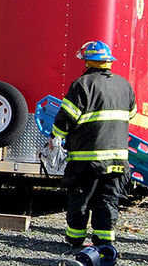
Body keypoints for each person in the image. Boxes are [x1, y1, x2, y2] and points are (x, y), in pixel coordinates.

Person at [50, 40, 137, 248]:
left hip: (85, 159)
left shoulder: (82, 84)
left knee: (80, 199)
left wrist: (55, 137)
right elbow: (131, 114)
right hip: (117, 159)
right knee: (108, 200)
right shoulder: (124, 85)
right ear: (108, 62)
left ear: (88, 61)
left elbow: (66, 118)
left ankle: (75, 239)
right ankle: (104, 242)